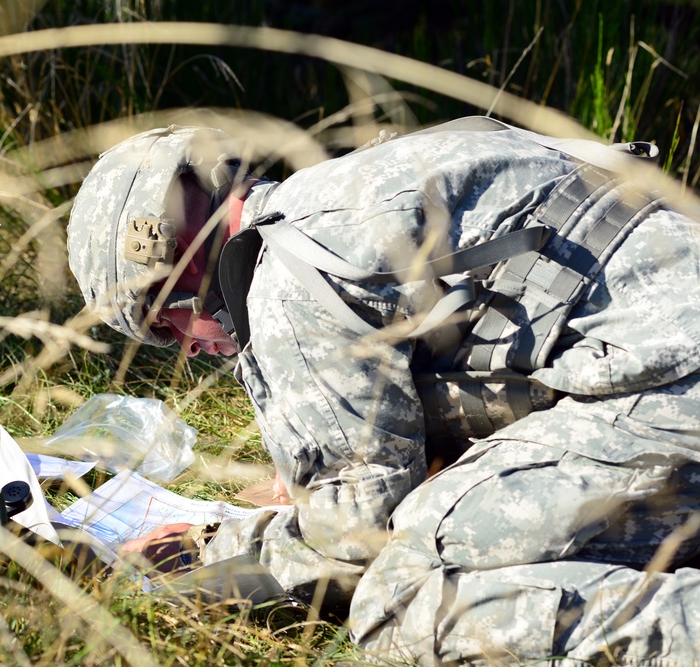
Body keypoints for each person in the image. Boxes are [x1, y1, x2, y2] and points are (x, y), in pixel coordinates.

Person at [66, 120, 700, 664]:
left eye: (161, 325)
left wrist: (210, 554)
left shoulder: (284, 278)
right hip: (662, 378)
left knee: (399, 600)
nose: (187, 347)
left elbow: (351, 542)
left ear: (170, 266)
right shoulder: (364, 179)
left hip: (671, 393)